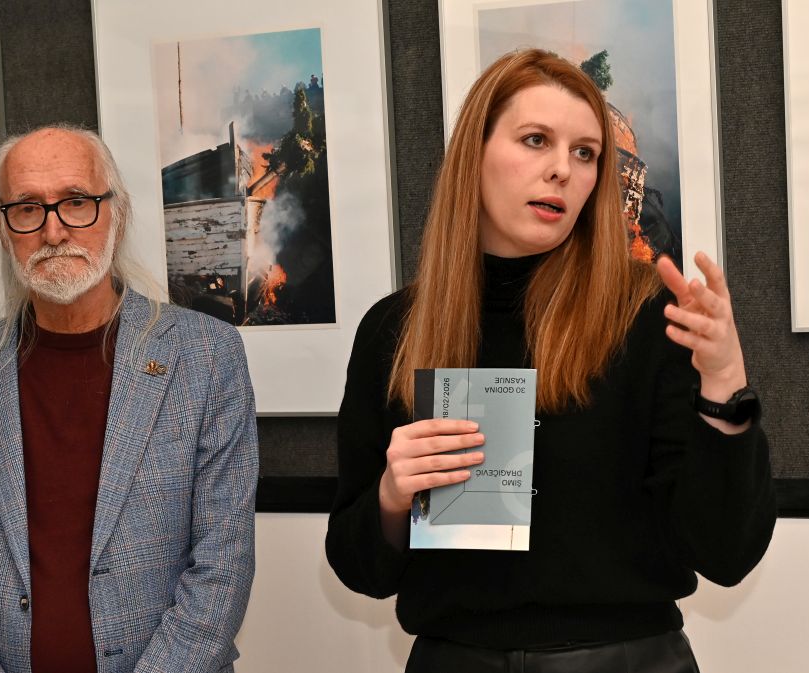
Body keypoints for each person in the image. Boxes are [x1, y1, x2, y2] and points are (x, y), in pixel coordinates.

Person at [325, 49, 775, 672]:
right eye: (536, 140)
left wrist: (724, 383)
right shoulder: (393, 331)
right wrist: (392, 496)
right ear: (474, 154)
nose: (563, 169)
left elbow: (727, 553)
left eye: (585, 153)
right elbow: (359, 570)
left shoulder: (649, 318)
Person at [0, 125, 258, 673]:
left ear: (117, 212)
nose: (53, 230)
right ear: (1, 227)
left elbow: (222, 563)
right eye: (27, 208)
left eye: (75, 202)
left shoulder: (206, 356)